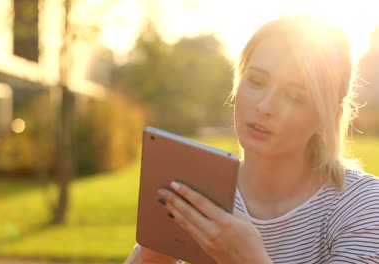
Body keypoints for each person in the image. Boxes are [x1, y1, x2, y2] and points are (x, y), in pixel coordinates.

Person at [125, 15, 379, 263]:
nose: (265, 106)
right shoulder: (201, 189)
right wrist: (152, 254)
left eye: (294, 96)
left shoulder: (362, 206)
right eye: (256, 82)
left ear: (326, 117)